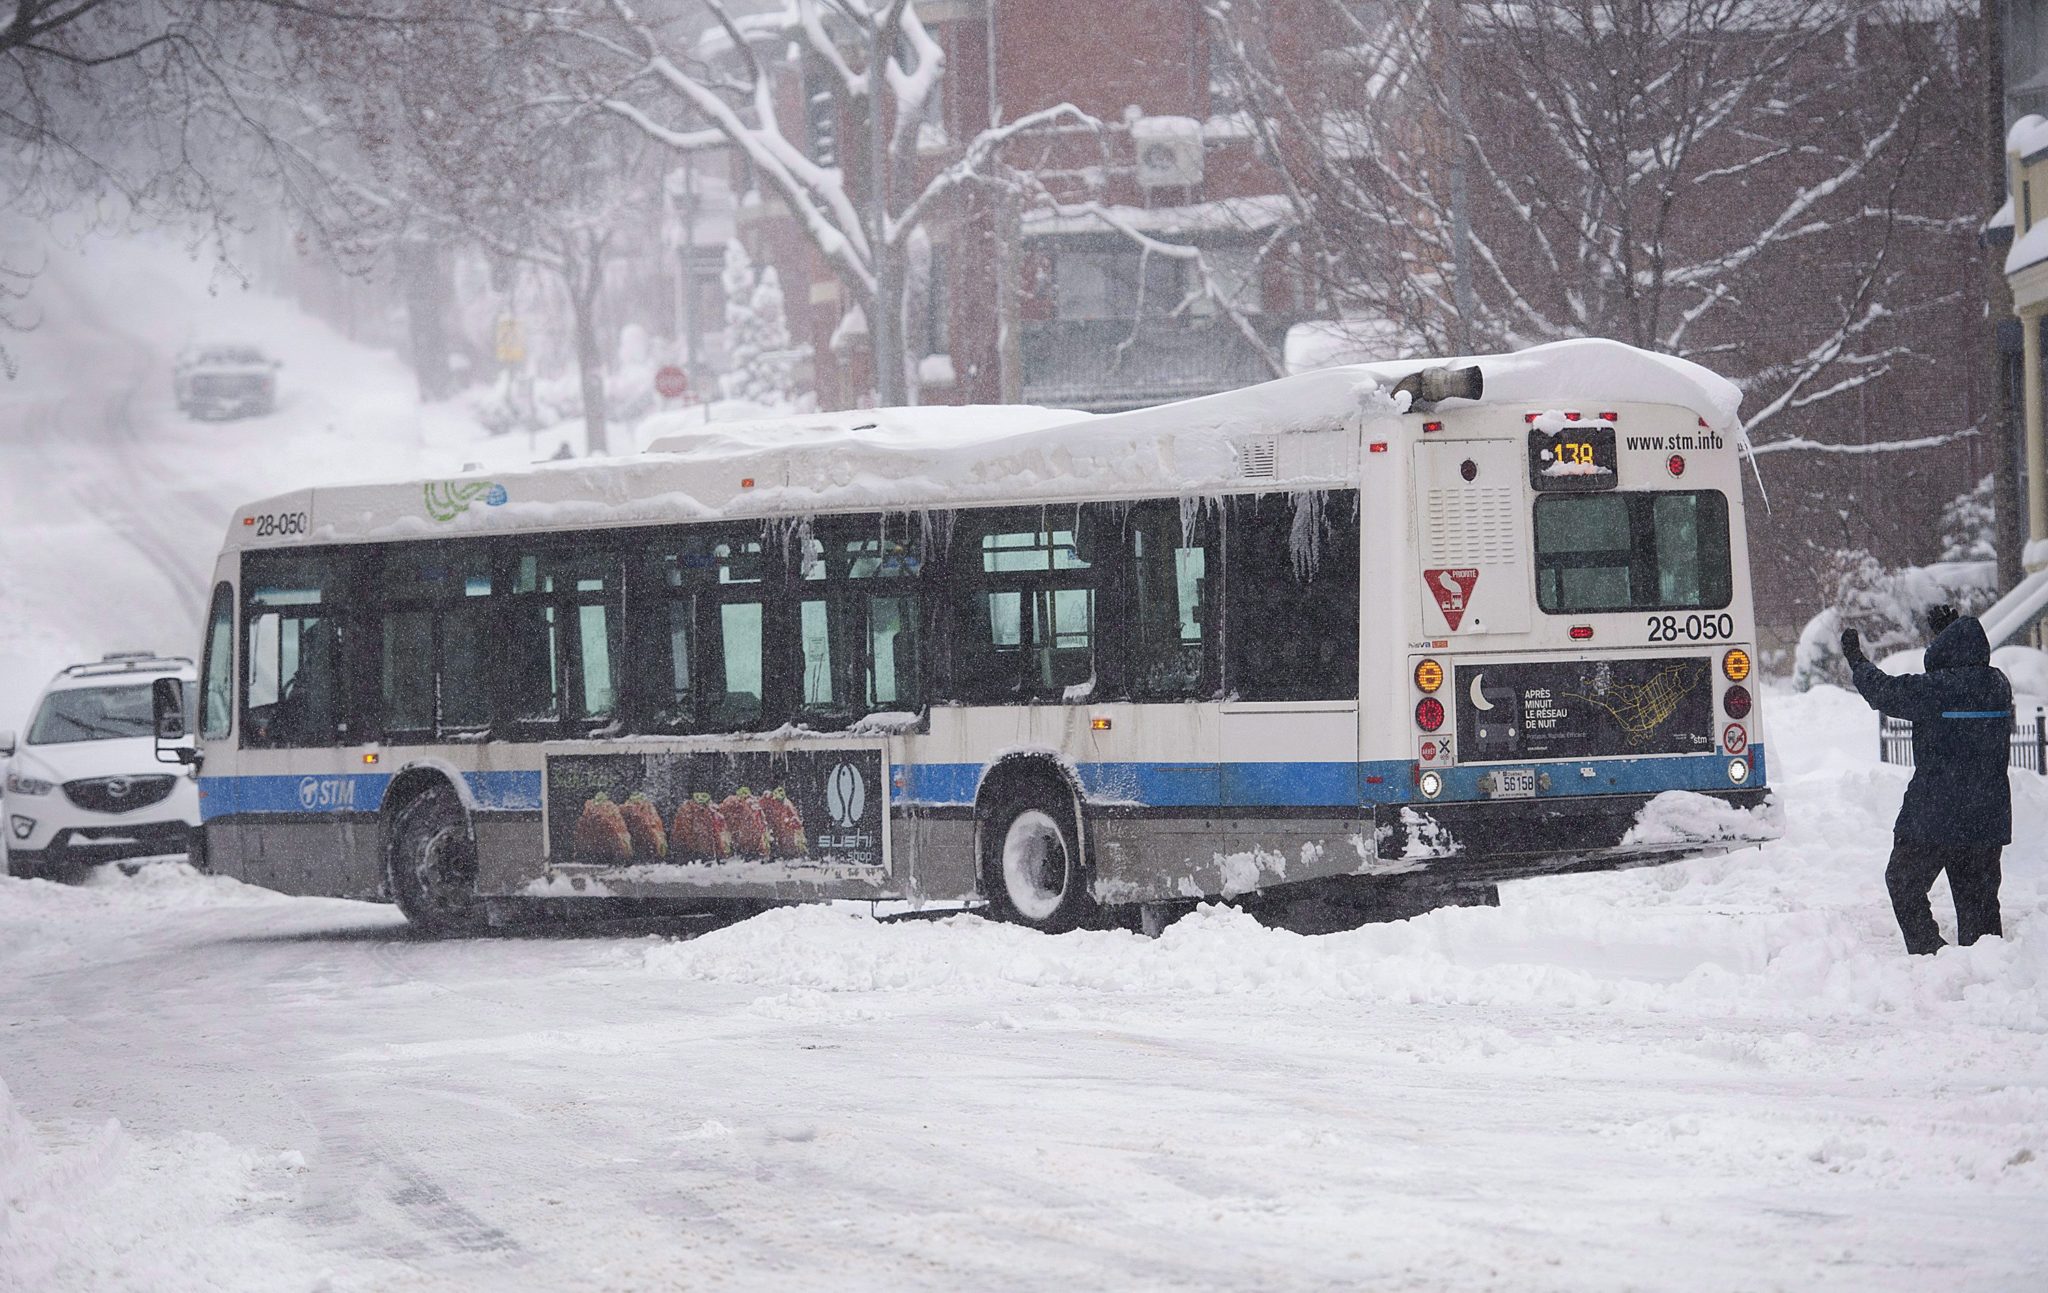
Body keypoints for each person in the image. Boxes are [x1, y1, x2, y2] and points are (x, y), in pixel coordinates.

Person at [1840, 605, 2011, 954]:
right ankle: (1987, 972)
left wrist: (1857, 661)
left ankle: (1931, 953)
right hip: (1986, 816)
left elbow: (1884, 692)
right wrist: (1952, 635)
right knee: (1979, 906)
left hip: (1935, 813)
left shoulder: (1936, 689)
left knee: (1903, 882)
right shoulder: (1997, 685)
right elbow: (1965, 675)